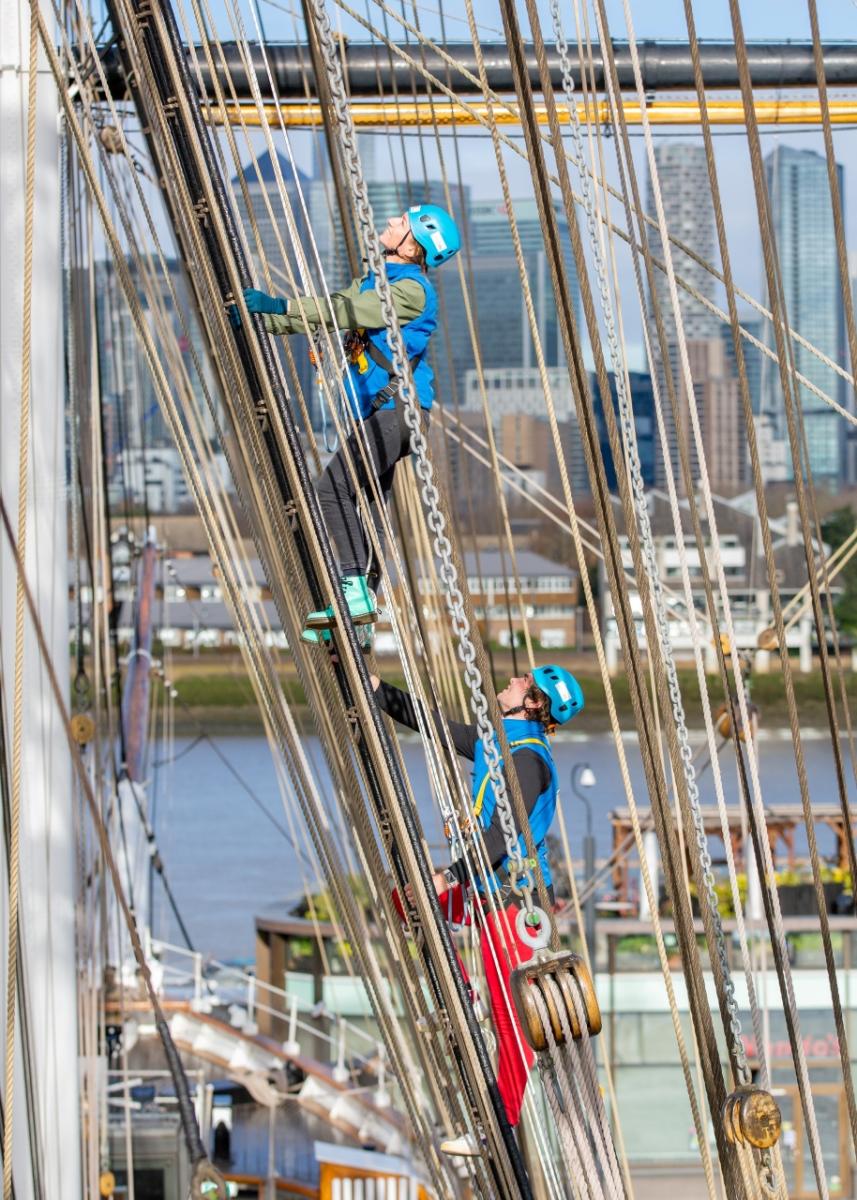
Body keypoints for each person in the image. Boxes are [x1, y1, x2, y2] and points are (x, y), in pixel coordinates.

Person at [371, 665, 584, 1156]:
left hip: (515, 903)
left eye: (522, 683)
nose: (510, 680)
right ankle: (461, 995)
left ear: (533, 704)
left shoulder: (529, 760)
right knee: (410, 903)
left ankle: (500, 1126)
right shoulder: (498, 741)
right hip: (488, 890)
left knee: (513, 1022)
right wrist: (379, 691)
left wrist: (453, 874)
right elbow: (435, 726)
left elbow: (503, 835)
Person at [240, 205, 461, 642]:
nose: (393, 221)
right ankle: (359, 619)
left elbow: (344, 310)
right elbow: (322, 313)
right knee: (366, 506)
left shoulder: (412, 290)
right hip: (378, 415)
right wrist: (263, 321)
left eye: (403, 223)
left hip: (398, 413)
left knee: (330, 489)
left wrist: (279, 302)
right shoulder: (375, 282)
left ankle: (354, 594)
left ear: (413, 245)